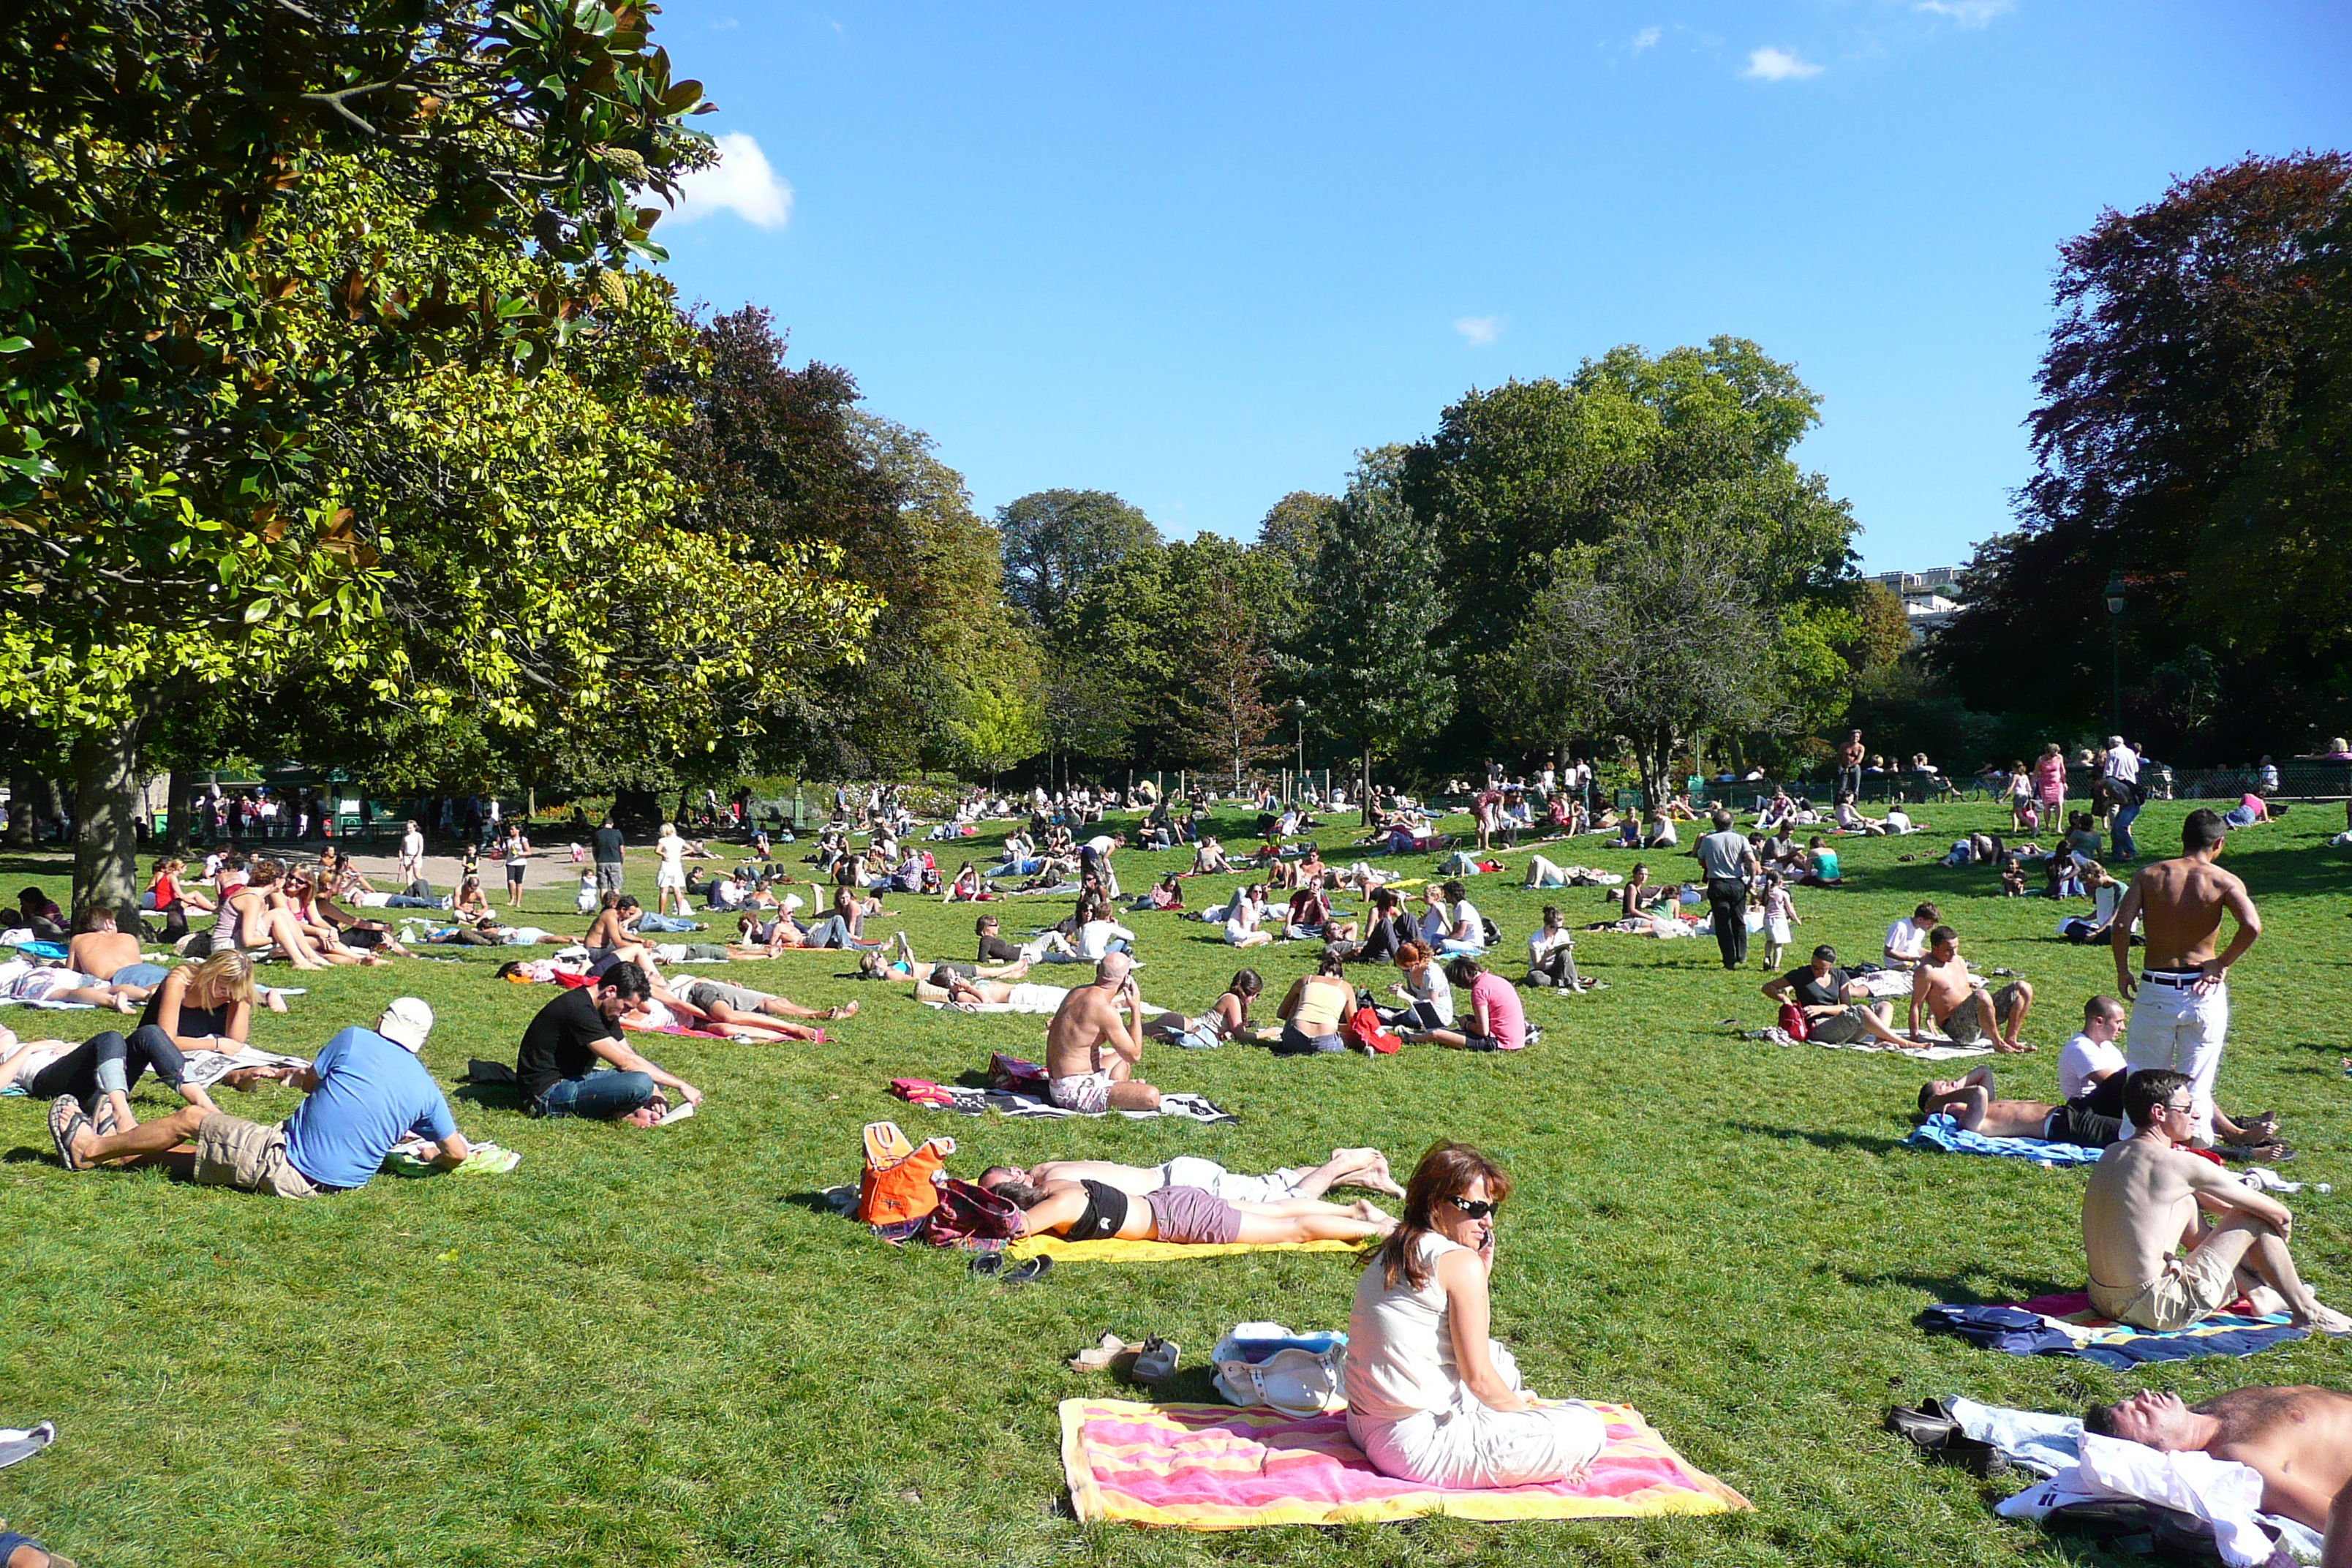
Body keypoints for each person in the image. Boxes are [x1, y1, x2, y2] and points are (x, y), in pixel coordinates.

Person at [1344, 1142, 1602, 1488]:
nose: (1488, 1221)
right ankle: (1529, 1435)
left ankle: (1511, 1425)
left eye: (1491, 1208)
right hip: (1416, 1447)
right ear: (1437, 1204)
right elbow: (1478, 1379)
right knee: (1587, 1426)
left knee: (1499, 1357)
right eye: (1476, 1207)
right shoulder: (1457, 1261)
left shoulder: (1400, 1244)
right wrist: (1530, 1419)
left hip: (1364, 1424)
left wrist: (1479, 1278)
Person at [50, 998, 472, 1196]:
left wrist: (298, 1077)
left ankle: (91, 1149)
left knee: (194, 1119)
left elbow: (311, 1083)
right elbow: (457, 1152)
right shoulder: (426, 1088)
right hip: (337, 1185)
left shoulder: (356, 1040)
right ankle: (125, 1145)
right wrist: (435, 1159)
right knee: (206, 1150)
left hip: (291, 1162)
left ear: (382, 1020)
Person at [2081, 1070, 2350, 1333]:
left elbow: (2195, 1200)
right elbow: (2279, 1215)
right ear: (2159, 1113)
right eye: (2186, 1109)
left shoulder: (2112, 1153)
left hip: (2102, 1299)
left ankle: (2257, 1292)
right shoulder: (2181, 1164)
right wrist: (2268, 1239)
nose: (2195, 1114)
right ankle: (2308, 1311)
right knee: (2253, 1217)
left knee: (2186, 1202)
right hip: (2155, 1308)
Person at [2109, 808, 2258, 1147]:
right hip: (2203, 990)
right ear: (2218, 843)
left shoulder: (2149, 875)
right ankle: (2199, 1147)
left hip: (2157, 986)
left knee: (2144, 1078)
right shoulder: (2223, 880)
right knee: (2198, 1081)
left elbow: (2121, 925)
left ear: (2183, 839)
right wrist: (2221, 963)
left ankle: (2137, 1145)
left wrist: (2122, 969)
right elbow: (2251, 926)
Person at [2082, 1387, 2352, 1561]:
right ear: (2160, 1453)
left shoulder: (2215, 1410)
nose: (2142, 1395)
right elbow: (2334, 1515)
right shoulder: (2240, 1458)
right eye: (2141, 1415)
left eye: (2131, 1400)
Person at [516, 965, 704, 1124]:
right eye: (626, 1007)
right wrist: (680, 1085)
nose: (625, 1013)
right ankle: (623, 1114)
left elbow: (628, 1053)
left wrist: (655, 1090)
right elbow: (625, 1063)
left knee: (653, 1071)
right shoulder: (577, 1009)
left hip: (575, 1078)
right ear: (611, 991)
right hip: (546, 1095)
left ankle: (634, 1110)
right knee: (640, 1082)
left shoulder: (606, 1007)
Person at [997, 1173, 1393, 1248]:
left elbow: (1019, 1227)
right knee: (1271, 1210)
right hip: (1170, 1199)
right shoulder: (1057, 1185)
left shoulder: (1061, 1204)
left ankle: (1379, 1231)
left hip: (1178, 1220)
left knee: (1292, 1230)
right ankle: (1355, 1212)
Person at [981, 1147, 1404, 1205]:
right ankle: (1366, 1177)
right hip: (1175, 1174)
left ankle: (1346, 1161)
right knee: (1267, 1183)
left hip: (1180, 1185)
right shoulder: (1052, 1169)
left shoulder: (1051, 1184)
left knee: (1277, 1202)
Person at [1043, 953, 1158, 1112]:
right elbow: (1135, 1054)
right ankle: (1124, 1093)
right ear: (1126, 979)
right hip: (1074, 1092)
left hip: (1058, 1083)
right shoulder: (1105, 1011)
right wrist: (1135, 1007)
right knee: (1151, 1096)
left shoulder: (1077, 992)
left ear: (1098, 969)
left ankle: (1122, 1091)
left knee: (1120, 1060)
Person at [1916, 1066, 2121, 1145]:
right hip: (2066, 1127)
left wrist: (1955, 1086)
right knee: (2131, 1131)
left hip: (2073, 1109)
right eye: (1944, 1085)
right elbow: (1978, 1092)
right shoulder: (1969, 1122)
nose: (1952, 1083)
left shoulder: (1989, 1104)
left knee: (2124, 1079)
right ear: (1933, 1104)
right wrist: (1943, 1101)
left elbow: (1984, 1071)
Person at [1764, 943, 1915, 1047]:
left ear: (1830, 967)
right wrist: (1784, 999)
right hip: (1818, 1028)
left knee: (1885, 1005)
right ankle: (1903, 1042)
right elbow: (1768, 987)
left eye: (1821, 969)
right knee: (1861, 1011)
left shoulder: (1839, 975)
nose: (1816, 971)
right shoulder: (1801, 974)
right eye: (1814, 966)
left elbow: (1845, 1007)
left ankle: (1880, 1040)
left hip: (1842, 1023)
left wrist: (1820, 1008)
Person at [1910, 924, 2034, 1051]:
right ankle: (1998, 1043)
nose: (1954, 953)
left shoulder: (1958, 961)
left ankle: (2011, 1039)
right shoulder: (1926, 971)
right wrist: (1914, 1037)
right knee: (1981, 995)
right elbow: (1916, 1005)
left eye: (1956, 948)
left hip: (1978, 1019)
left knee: (2023, 988)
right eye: (1948, 949)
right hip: (1958, 1028)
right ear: (1935, 949)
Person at [1406, 957, 1524, 1052]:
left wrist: (1466, 1024)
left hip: (1500, 1043)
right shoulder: (1496, 980)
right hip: (1516, 1039)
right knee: (1455, 1029)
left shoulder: (1479, 990)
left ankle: (1411, 1038)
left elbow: (1483, 1031)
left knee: (1436, 1034)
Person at [1695, 808, 1758, 970]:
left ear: (1715, 823)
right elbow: (1751, 860)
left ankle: (1729, 959)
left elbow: (1701, 859)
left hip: (1717, 884)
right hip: (1737, 883)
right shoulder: (1741, 839)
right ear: (1732, 822)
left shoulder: (1709, 840)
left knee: (1723, 924)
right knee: (1739, 920)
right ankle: (1741, 955)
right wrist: (1752, 880)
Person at [1273, 949, 1359, 1055]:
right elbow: (1354, 1026)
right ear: (1341, 978)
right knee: (1353, 1038)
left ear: (1318, 975)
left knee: (1299, 996)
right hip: (1326, 1043)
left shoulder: (1306, 980)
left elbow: (1281, 1013)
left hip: (1294, 1040)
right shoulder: (1345, 986)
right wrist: (1335, 1026)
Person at [2059, 995, 2128, 1102]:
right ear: (2099, 1022)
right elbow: (2116, 1085)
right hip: (2086, 1112)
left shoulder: (2107, 1046)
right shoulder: (2080, 1048)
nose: (2123, 1028)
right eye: (2118, 1022)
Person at [1526, 905, 1586, 990]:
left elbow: (1567, 961)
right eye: (1553, 927)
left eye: (1560, 928)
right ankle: (1562, 983)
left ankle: (1573, 983)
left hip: (1556, 969)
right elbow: (1538, 966)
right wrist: (1546, 955)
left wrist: (1569, 951)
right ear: (1546, 924)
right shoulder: (1535, 939)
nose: (1557, 931)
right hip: (1541, 971)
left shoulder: (1563, 934)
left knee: (1564, 952)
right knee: (1535, 977)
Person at [1882, 902, 1940, 970]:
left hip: (1912, 964)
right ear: (1920, 919)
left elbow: (1916, 948)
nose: (1932, 927)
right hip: (1897, 965)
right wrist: (1911, 959)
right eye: (1930, 924)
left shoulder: (1921, 930)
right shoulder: (1900, 927)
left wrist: (1933, 955)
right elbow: (1888, 951)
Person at [1757, 874, 1796, 970]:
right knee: (1778, 945)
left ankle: (1767, 957)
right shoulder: (1783, 894)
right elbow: (1790, 909)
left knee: (1769, 941)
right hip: (1779, 921)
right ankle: (1776, 966)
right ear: (1780, 882)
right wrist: (1796, 919)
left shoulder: (1765, 893)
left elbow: (1756, 897)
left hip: (1767, 920)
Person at [653, 821, 688, 917]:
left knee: (664, 890)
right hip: (677, 865)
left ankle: (661, 912)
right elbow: (691, 849)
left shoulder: (663, 840)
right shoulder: (680, 840)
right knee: (677, 889)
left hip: (666, 865)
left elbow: (657, 850)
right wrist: (681, 854)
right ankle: (680, 911)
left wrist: (663, 854)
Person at [502, 821, 530, 908]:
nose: (511, 831)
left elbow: (528, 852)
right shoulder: (508, 841)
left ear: (518, 830)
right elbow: (504, 853)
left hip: (520, 863)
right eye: (510, 829)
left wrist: (519, 854)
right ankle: (512, 898)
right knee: (510, 881)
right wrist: (503, 850)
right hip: (510, 863)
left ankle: (518, 902)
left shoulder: (523, 840)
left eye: (512, 829)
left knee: (519, 883)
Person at [1837, 729, 1866, 804]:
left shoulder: (1861, 747)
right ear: (1850, 737)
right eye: (1854, 736)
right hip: (1844, 767)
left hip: (1855, 768)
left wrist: (1849, 766)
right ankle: (1838, 804)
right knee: (1842, 788)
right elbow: (1839, 756)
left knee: (1855, 788)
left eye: (1857, 737)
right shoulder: (1844, 746)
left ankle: (1854, 805)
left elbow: (1859, 760)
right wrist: (1841, 765)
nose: (1855, 738)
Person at [396, 819, 425, 884]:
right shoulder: (405, 837)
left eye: (410, 828)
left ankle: (425, 886)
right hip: (407, 856)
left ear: (415, 828)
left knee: (417, 875)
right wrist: (401, 855)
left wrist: (417, 857)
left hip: (416, 856)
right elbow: (401, 848)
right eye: (407, 828)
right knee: (408, 874)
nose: (408, 830)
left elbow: (421, 847)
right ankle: (410, 890)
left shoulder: (418, 836)